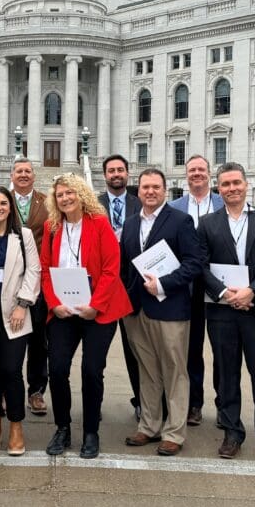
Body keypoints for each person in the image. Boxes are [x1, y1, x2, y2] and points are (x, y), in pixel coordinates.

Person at [197, 162, 255, 463]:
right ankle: (232, 432)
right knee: (227, 375)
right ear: (218, 188)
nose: (232, 188)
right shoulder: (207, 224)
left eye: (236, 182)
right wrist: (225, 293)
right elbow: (200, 265)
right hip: (222, 312)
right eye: (225, 184)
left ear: (246, 184)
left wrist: (252, 291)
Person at [40, 173, 132, 459]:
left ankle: (91, 431)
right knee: (57, 369)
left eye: (70, 193)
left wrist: (96, 304)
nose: (65, 198)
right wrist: (54, 304)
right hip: (63, 309)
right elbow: (45, 271)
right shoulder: (52, 227)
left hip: (97, 308)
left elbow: (111, 269)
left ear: (81, 195)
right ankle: (63, 427)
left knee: (92, 370)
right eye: (60, 195)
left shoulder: (100, 223)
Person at [120, 169, 204, 456]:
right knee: (147, 370)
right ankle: (149, 426)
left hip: (170, 308)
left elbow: (194, 263)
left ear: (165, 190)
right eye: (145, 187)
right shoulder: (131, 224)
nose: (150, 191)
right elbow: (125, 267)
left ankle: (174, 433)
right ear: (139, 191)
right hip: (137, 310)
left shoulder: (181, 221)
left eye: (156, 187)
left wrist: (164, 283)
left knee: (175, 371)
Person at [0, 186, 41, 455]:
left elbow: (34, 270)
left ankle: (15, 425)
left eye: (3, 203)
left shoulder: (23, 235)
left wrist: (23, 304)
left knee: (12, 370)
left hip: (15, 311)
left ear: (10, 207)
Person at [170, 154, 224, 426]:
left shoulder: (224, 203)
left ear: (209, 173)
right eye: (192, 170)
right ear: (186, 175)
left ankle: (224, 406)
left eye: (201, 169)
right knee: (191, 350)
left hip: (220, 287)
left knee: (222, 350)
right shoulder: (174, 207)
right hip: (187, 288)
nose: (197, 174)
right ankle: (194, 404)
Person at [96, 153, 144, 420]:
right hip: (103, 285)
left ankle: (142, 401)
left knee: (136, 350)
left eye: (120, 170)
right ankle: (95, 403)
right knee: (97, 353)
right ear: (105, 175)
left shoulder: (140, 202)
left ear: (127, 173)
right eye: (111, 170)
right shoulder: (93, 204)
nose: (116, 174)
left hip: (133, 284)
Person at [10, 157, 50, 417]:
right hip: (9, 278)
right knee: (9, 338)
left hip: (38, 279)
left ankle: (36, 391)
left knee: (38, 340)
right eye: (19, 171)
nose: (23, 175)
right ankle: (7, 389)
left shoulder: (46, 202)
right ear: (12, 176)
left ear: (34, 176)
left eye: (27, 171)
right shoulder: (1, 199)